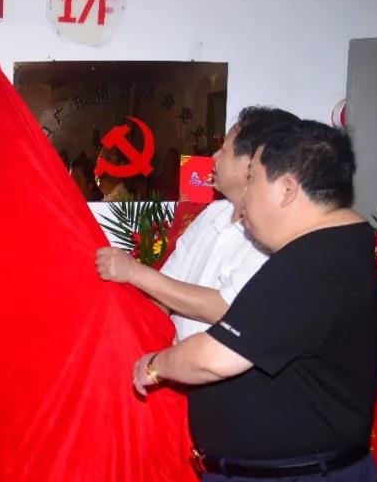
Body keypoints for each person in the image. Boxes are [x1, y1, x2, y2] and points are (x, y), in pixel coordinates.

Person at [132, 120, 377, 482]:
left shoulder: (315, 265)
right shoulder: (323, 251)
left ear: (287, 189)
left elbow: (214, 357)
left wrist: (156, 364)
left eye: (254, 181)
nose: (244, 198)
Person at [95, 107, 298, 340]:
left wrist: (134, 272)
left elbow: (228, 307)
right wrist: (149, 333)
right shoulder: (213, 213)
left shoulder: (275, 235)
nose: (214, 157)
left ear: (253, 163)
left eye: (224, 150)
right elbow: (167, 286)